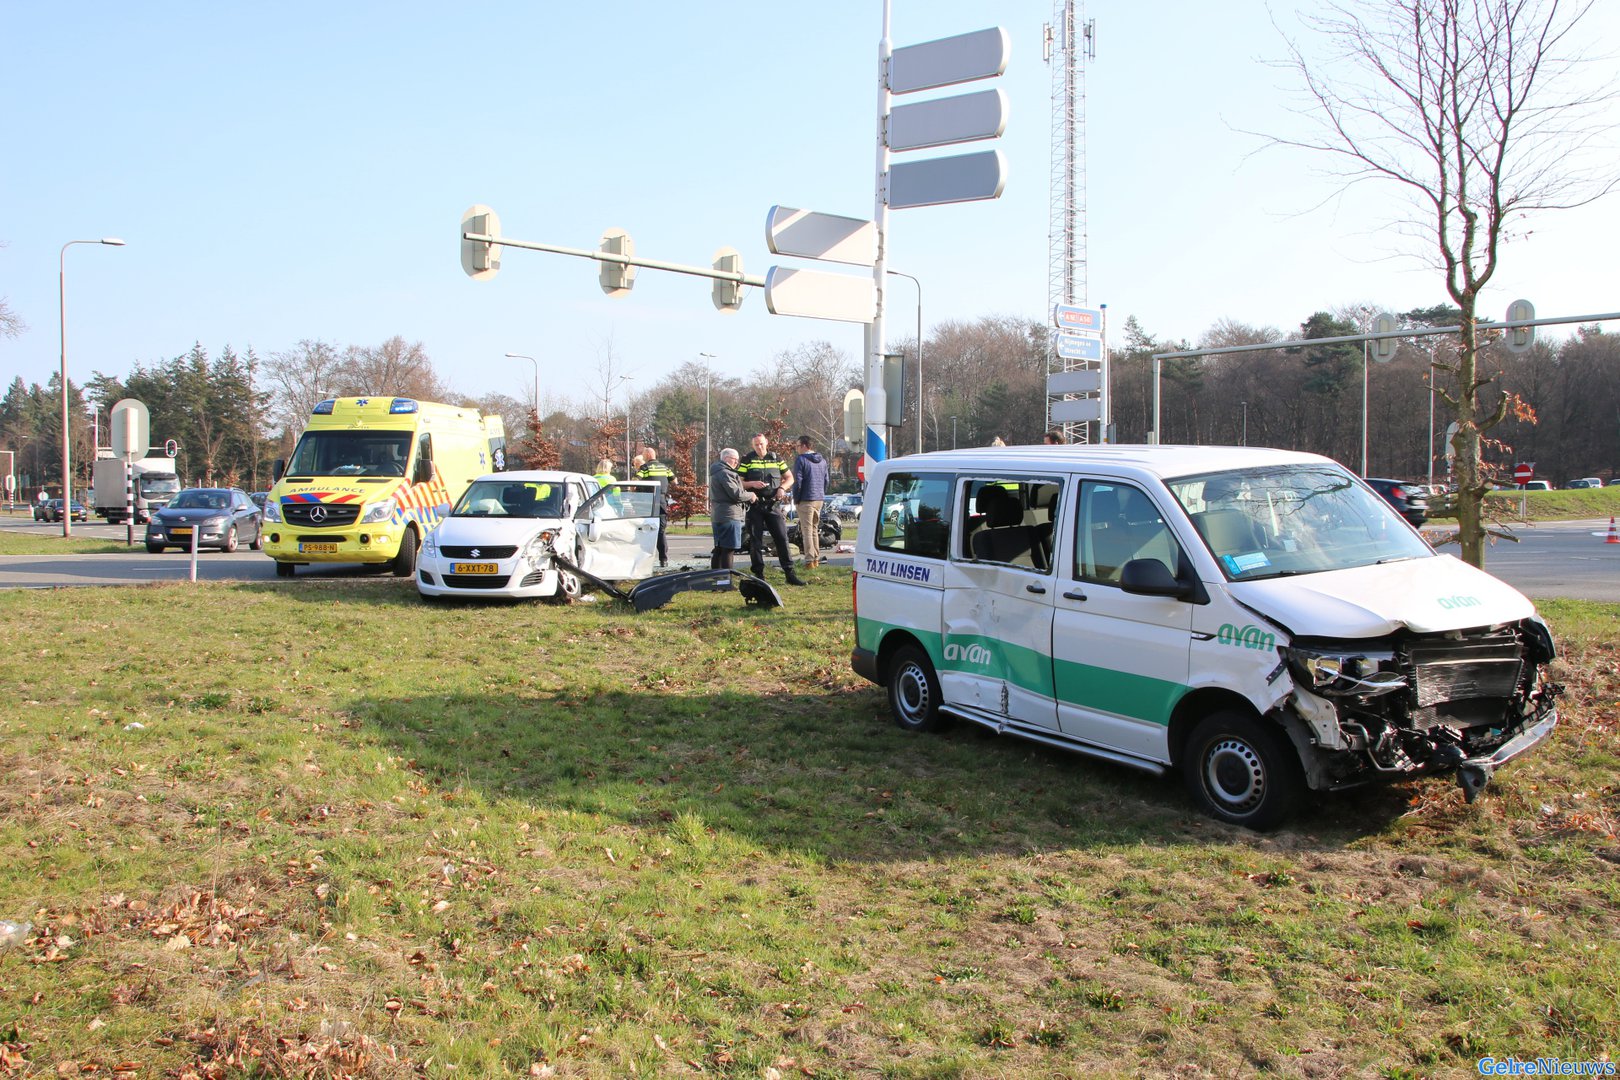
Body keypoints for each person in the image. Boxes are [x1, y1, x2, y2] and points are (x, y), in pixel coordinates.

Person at [737, 433, 805, 586]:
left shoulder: (776, 458)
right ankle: (759, 575)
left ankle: (789, 573)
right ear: (752, 445)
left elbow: (790, 477)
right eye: (756, 445)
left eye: (761, 444)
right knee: (755, 541)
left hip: (773, 505)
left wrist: (782, 488)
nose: (759, 447)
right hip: (754, 506)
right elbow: (739, 482)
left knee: (782, 538)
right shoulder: (747, 459)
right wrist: (752, 484)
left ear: (766, 442)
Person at [707, 447, 755, 570]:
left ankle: (716, 579)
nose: (736, 463)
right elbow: (736, 494)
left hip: (719, 514)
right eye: (735, 460)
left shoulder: (717, 471)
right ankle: (725, 580)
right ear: (727, 458)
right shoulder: (725, 473)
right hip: (729, 515)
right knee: (728, 549)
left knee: (719, 549)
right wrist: (751, 495)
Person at [791, 434, 830, 569]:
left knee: (806, 530)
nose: (796, 449)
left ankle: (809, 561)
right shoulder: (823, 461)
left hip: (805, 499)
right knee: (814, 530)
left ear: (804, 446)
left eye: (797, 446)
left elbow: (798, 482)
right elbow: (826, 480)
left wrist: (796, 498)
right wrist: (821, 494)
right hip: (819, 498)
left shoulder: (801, 460)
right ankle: (816, 559)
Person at [635, 445, 676, 568]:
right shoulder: (664, 467)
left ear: (647, 456)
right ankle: (663, 559)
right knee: (661, 531)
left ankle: (644, 559)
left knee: (645, 529)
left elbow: (635, 482)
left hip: (647, 502)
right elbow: (675, 481)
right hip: (662, 501)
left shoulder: (645, 467)